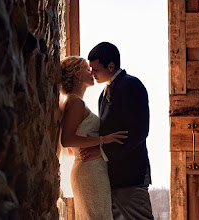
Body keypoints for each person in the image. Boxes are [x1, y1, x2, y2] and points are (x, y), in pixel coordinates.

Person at [80, 42, 154, 220]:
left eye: (95, 68)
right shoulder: (102, 95)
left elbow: (139, 132)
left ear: (111, 66)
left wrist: (101, 151)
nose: (92, 73)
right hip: (111, 178)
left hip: (131, 175)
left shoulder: (132, 86)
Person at [60, 56, 127, 220]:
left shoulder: (76, 102)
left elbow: (70, 150)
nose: (92, 72)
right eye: (87, 69)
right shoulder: (76, 103)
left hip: (90, 168)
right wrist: (103, 140)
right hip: (89, 172)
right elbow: (67, 140)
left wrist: (90, 145)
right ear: (77, 74)